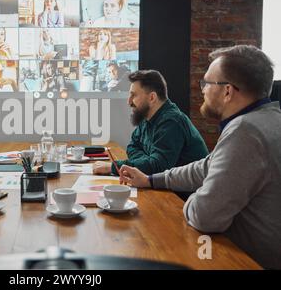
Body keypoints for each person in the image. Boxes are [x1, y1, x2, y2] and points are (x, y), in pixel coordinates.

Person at [119, 45, 281, 269]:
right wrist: (151, 180)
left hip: (243, 261)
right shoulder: (266, 119)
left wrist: (194, 196)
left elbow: (205, 216)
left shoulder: (246, 132)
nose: (202, 90)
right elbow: (206, 166)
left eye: (207, 83)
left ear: (227, 91)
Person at [93, 70, 208, 179]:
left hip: (182, 196)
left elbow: (158, 166)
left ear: (152, 97)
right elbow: (132, 146)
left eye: (134, 95)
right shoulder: (148, 116)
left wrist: (114, 167)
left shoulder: (171, 121)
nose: (129, 101)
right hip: (165, 188)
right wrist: (147, 161)